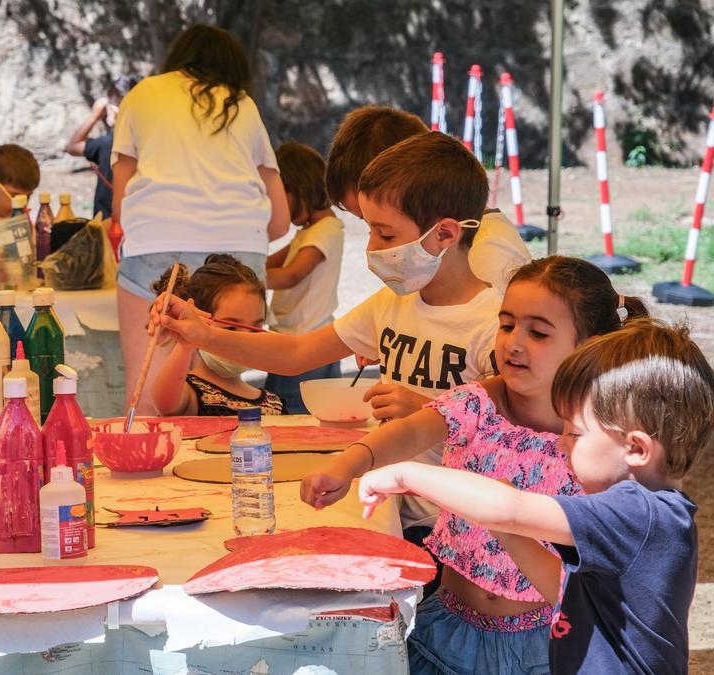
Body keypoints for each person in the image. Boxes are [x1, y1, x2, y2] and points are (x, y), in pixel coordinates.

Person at [302, 256, 648, 675]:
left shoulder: (598, 439)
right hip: (448, 629)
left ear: (589, 344)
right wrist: (348, 463)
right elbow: (410, 432)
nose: (514, 342)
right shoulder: (480, 402)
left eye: (538, 332)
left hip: (548, 644)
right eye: (506, 325)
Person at [154, 132, 501, 536]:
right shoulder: (391, 304)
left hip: (461, 531)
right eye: (369, 230)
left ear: (444, 234)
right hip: (393, 512)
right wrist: (201, 333)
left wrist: (424, 408)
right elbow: (297, 352)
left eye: (386, 234)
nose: (371, 247)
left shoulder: (494, 324)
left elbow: (516, 437)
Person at [358, 317, 714, 675]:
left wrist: (405, 473)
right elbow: (561, 587)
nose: (560, 442)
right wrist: (509, 533)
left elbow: (507, 507)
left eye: (574, 433)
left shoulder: (638, 516)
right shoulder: (648, 515)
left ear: (636, 448)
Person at [111, 25, 289, 414]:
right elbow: (280, 221)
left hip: (157, 243)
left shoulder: (144, 93)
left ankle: (148, 467)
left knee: (148, 394)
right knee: (228, 387)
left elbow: (120, 209)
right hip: (241, 249)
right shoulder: (241, 103)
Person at [325, 105, 530, 291]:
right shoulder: (436, 258)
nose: (372, 249)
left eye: (385, 232)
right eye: (369, 225)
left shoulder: (487, 257)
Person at [264, 142, 344, 413]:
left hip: (305, 348)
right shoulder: (308, 232)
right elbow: (269, 263)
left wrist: (247, 282)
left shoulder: (327, 229)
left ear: (299, 189)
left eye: (278, 195)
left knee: (291, 419)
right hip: (294, 343)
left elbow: (291, 275)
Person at [150, 255, 284, 417]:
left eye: (255, 329)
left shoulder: (274, 403)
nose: (245, 339)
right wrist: (186, 344)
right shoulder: (190, 394)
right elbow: (165, 404)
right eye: (231, 327)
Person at [64, 75, 140, 219]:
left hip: (107, 225)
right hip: (137, 224)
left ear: (113, 110)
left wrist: (95, 115)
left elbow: (73, 147)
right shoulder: (146, 141)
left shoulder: (106, 143)